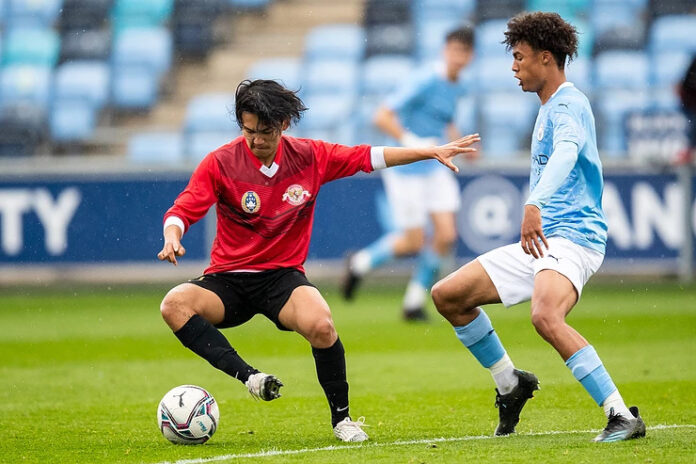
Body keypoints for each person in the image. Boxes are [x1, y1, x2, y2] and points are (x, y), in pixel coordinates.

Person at [157, 79, 480, 442]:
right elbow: (184, 207)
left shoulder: (310, 156)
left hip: (281, 279)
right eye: (248, 131)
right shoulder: (220, 162)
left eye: (264, 131)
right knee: (174, 305)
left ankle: (342, 420)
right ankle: (250, 377)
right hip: (228, 279)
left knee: (323, 325)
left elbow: (367, 156)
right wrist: (173, 234)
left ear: (283, 125)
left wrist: (427, 151)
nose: (255, 140)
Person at [430, 12, 646, 443]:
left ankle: (621, 415)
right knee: (448, 295)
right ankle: (511, 383)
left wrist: (534, 203)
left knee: (545, 315)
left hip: (574, 238)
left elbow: (567, 152)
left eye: (519, 57)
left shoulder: (568, 104)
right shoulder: (550, 107)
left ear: (546, 58)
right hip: (545, 243)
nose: (514, 67)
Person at [342, 27, 476, 321]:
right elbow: (382, 115)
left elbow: (444, 119)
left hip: (436, 166)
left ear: (471, 56)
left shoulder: (459, 85)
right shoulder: (425, 79)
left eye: (464, 52)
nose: (458, 57)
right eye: (454, 50)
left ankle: (413, 301)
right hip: (407, 170)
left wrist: (459, 141)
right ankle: (359, 264)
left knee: (446, 234)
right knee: (413, 241)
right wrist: (410, 141)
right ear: (444, 50)